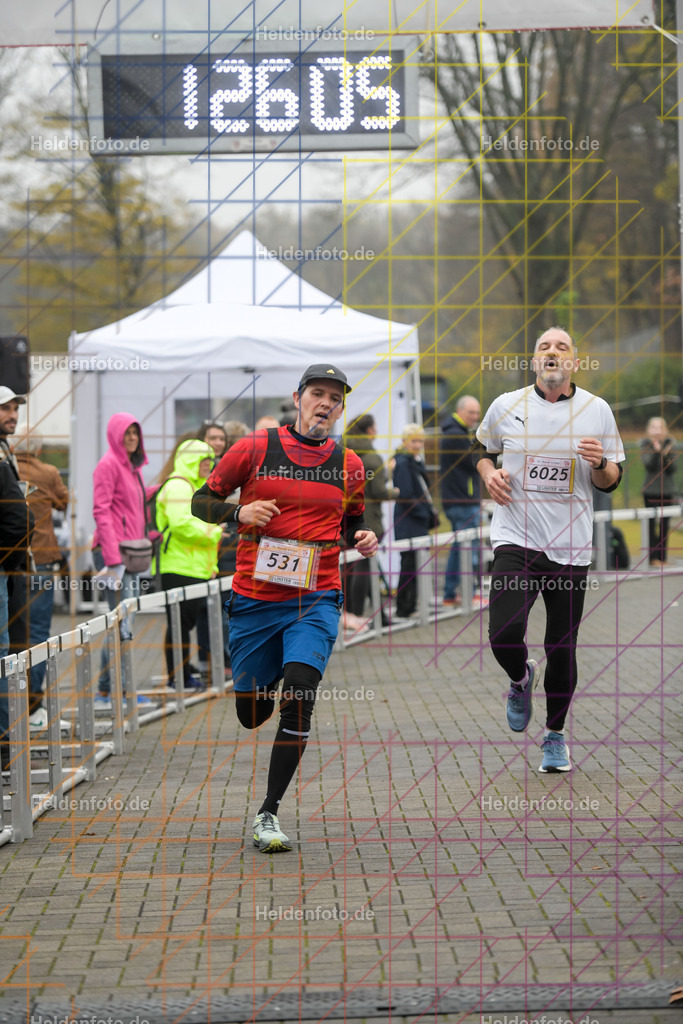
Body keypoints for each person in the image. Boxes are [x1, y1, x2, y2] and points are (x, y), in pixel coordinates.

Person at [192, 363, 377, 854]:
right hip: (254, 600)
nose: (326, 404)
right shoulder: (254, 448)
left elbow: (352, 524)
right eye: (318, 394)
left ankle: (268, 812)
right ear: (298, 398)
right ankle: (265, 676)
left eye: (335, 398)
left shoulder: (350, 464)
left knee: (300, 693)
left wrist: (363, 537)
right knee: (252, 714)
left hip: (315, 598)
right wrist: (237, 512)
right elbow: (198, 502)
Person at [474, 327, 624, 773]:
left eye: (561, 347)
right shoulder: (506, 405)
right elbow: (480, 451)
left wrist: (599, 463)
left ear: (573, 361)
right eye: (544, 347)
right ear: (534, 361)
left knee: (562, 647)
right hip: (516, 538)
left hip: (571, 546)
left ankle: (555, 736)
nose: (552, 353)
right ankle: (521, 679)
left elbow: (613, 480)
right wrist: (488, 473)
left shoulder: (597, 410)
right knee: (503, 633)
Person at [92, 413, 153, 709]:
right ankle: (117, 691)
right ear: (115, 434)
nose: (131, 438)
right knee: (122, 622)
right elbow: (101, 511)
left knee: (123, 620)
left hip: (130, 552)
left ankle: (107, 691)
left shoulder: (133, 468)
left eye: (135, 433)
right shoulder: (108, 465)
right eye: (126, 433)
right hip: (114, 555)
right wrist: (113, 560)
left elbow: (132, 506)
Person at [12, 430, 70, 731]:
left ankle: (13, 706)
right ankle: (33, 707)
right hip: (43, 558)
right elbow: (63, 502)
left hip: (13, 561)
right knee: (37, 633)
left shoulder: (8, 465)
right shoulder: (47, 471)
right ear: (39, 448)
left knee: (14, 635)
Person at [156, 439, 223, 690]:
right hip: (179, 567)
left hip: (193, 567)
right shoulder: (178, 487)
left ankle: (183, 670)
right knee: (179, 624)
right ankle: (178, 677)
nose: (208, 465)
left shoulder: (193, 487)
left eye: (209, 461)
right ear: (190, 461)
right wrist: (214, 531)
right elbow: (181, 524)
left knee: (184, 624)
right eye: (203, 461)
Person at [0, 387, 34, 771]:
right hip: (6, 569)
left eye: (14, 408)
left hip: (11, 569)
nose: (12, 414)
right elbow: (16, 520)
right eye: (5, 408)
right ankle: (6, 747)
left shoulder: (5, 449)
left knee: (13, 652)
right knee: (4, 657)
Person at [343, 414, 399, 622]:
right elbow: (378, 492)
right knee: (364, 568)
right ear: (369, 431)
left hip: (344, 519)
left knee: (350, 568)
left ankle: (377, 615)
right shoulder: (373, 458)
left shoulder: (342, 452)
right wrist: (395, 491)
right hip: (367, 519)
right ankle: (355, 615)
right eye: (375, 428)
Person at [440, 396, 482, 607]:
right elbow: (474, 462)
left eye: (477, 413)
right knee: (468, 550)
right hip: (462, 502)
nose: (475, 417)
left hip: (461, 500)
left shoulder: (457, 432)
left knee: (460, 549)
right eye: (471, 413)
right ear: (460, 411)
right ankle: (469, 593)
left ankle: (452, 594)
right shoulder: (456, 435)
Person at [392, 423, 437, 619]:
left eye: (420, 441)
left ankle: (412, 605)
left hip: (416, 520)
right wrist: (424, 513)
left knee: (416, 565)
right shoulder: (403, 463)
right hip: (408, 521)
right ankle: (404, 608)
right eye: (414, 441)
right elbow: (406, 495)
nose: (418, 444)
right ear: (405, 442)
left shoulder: (414, 461)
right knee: (409, 565)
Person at [640, 417, 677, 566]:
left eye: (660, 428)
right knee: (650, 526)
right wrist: (656, 453)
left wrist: (665, 454)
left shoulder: (670, 444)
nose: (657, 431)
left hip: (667, 490)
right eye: (654, 428)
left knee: (664, 525)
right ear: (649, 430)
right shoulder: (645, 444)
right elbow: (649, 466)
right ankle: (651, 558)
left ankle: (662, 557)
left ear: (665, 429)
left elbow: (672, 469)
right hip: (650, 491)